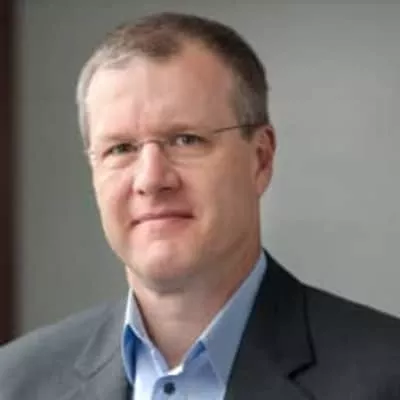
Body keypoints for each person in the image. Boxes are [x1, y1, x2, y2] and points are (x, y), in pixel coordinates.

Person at [1, 12, 400, 400]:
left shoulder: (387, 374)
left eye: (186, 140)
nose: (151, 179)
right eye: (121, 148)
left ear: (260, 159)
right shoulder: (14, 381)